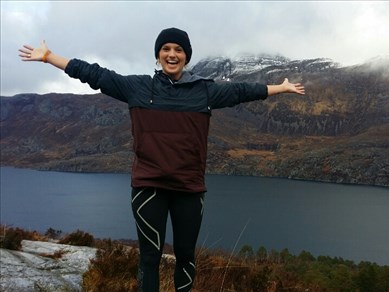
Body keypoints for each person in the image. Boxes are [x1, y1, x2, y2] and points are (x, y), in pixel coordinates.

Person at [19, 27, 305, 291]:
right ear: (158, 55)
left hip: (189, 190)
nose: (172, 54)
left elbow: (242, 91)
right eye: (166, 48)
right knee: (149, 257)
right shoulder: (138, 88)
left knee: (185, 256)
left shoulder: (204, 91)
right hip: (148, 187)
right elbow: (95, 75)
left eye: (179, 49)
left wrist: (280, 88)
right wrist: (49, 57)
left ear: (186, 56)